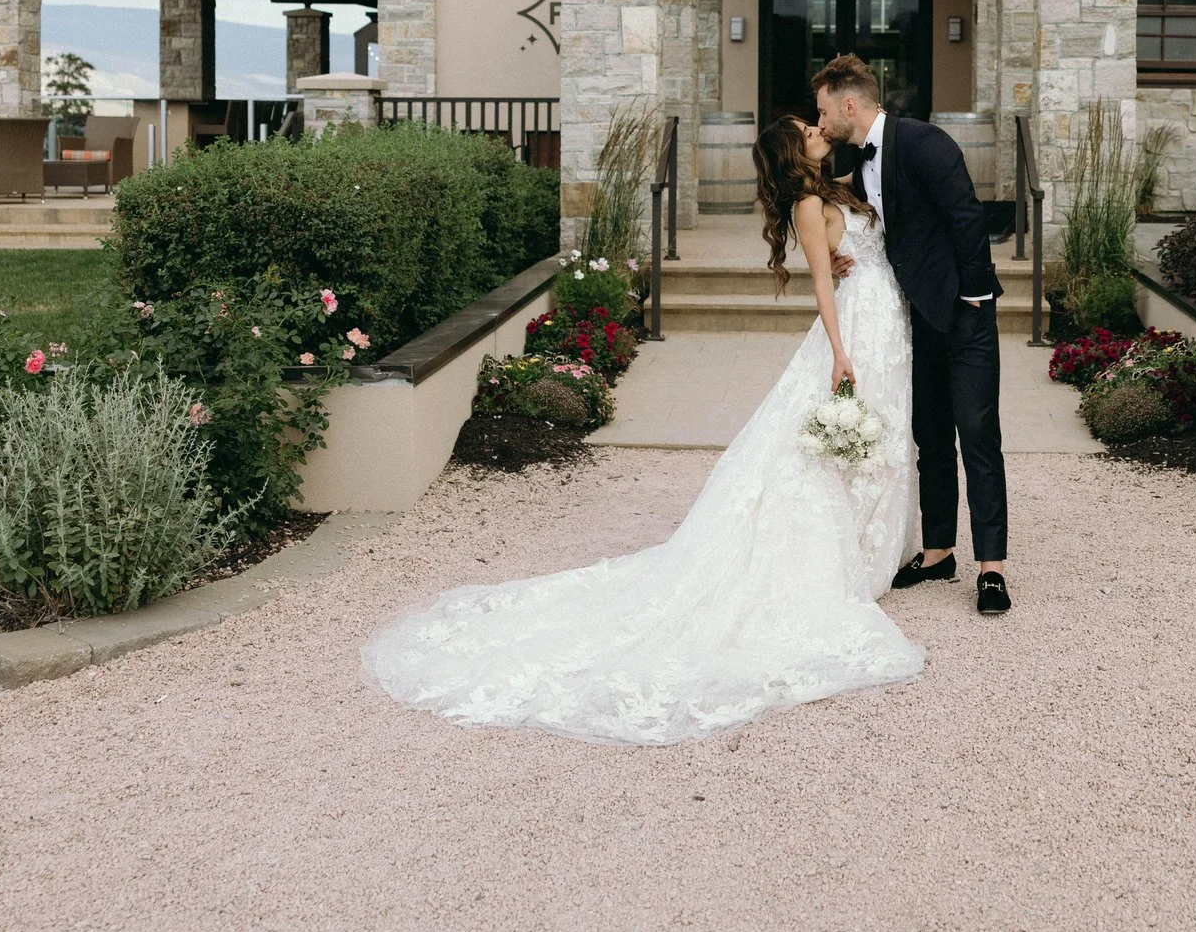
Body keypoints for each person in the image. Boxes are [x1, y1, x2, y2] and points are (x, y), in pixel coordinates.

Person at [362, 113, 922, 745]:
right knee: (825, 447)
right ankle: (843, 554)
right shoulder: (807, 203)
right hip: (854, 331)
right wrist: (840, 351)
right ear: (797, 151)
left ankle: (873, 540)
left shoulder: (840, 187)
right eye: (807, 127)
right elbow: (822, 280)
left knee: (875, 432)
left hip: (883, 321)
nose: (818, 127)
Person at [811, 53, 1010, 614]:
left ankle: (991, 568)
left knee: (977, 434)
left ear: (850, 105)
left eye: (824, 111)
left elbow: (967, 218)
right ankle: (939, 549)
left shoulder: (924, 142)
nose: (822, 122)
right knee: (929, 435)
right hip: (912, 317)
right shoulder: (861, 160)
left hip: (964, 314)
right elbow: (855, 210)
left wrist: (973, 297)